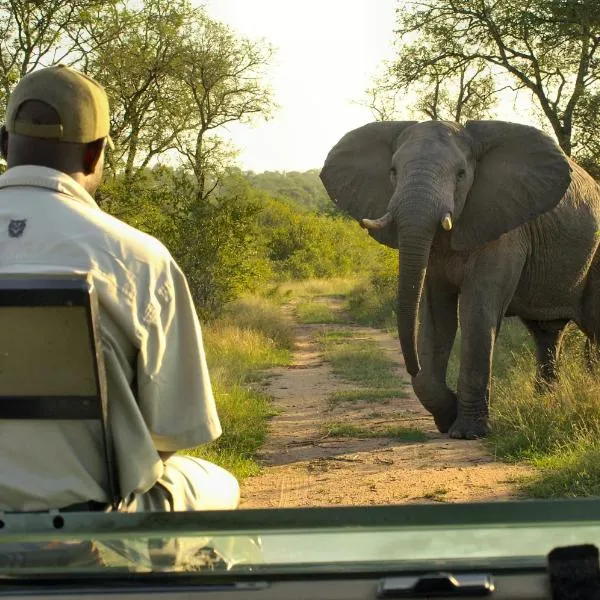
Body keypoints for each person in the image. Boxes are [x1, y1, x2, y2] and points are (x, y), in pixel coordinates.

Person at [0, 64, 240, 513]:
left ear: (3, 144)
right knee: (218, 484)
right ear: (93, 156)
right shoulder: (138, 258)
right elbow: (171, 434)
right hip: (88, 519)